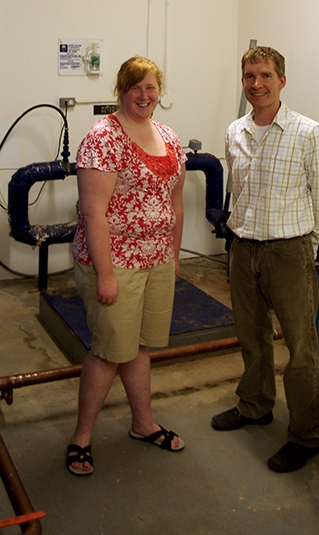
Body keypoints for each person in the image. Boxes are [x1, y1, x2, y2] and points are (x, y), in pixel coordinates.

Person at [211, 46, 319, 473]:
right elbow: (239, 190)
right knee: (252, 337)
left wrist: (306, 245)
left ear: (282, 80)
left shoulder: (307, 132)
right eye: (249, 76)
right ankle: (254, 405)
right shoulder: (235, 131)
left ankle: (305, 435)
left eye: (265, 75)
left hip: (289, 251)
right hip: (243, 248)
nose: (256, 84)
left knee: (301, 348)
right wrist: (239, 236)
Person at [66, 56, 186, 476]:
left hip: (155, 259)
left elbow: (175, 201)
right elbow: (94, 212)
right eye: (135, 87)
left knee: (139, 347)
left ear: (160, 92)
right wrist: (104, 275)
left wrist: (173, 256)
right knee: (108, 352)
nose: (144, 95)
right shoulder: (103, 137)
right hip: (115, 262)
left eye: (151, 87)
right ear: (121, 89)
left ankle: (142, 423)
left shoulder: (169, 136)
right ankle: (81, 437)